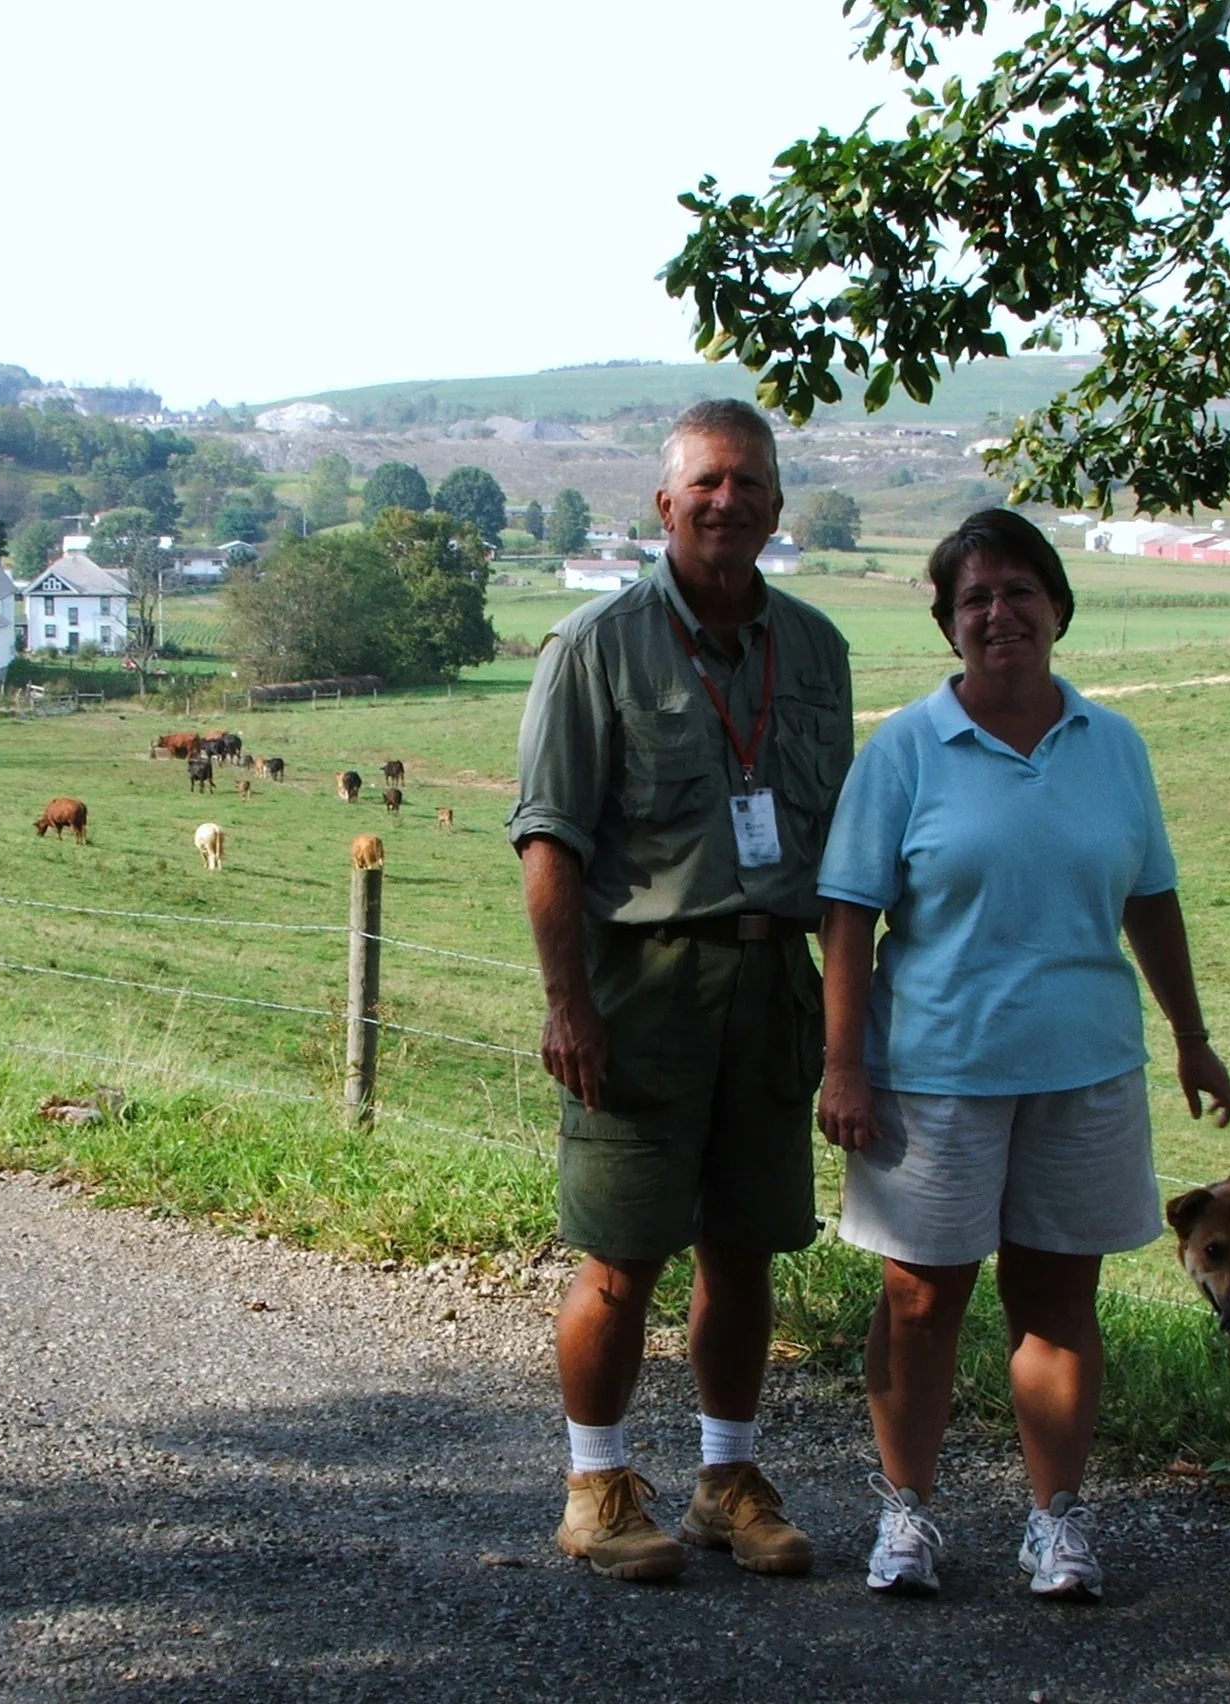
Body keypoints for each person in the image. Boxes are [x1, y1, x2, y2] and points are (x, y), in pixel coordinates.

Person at [815, 508, 1230, 1601]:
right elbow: (850, 916)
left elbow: (1151, 899)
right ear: (949, 626)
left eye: (1018, 592)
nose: (998, 613)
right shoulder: (906, 748)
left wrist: (1191, 1036)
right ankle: (907, 1515)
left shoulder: (1113, 746)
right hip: (933, 1075)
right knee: (919, 1301)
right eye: (973, 600)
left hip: (1082, 1069)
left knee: (1058, 1305)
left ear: (1059, 607)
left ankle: (1056, 1522)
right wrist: (843, 1065)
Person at [508, 398, 854, 1582]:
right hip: (640, 988)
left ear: (773, 505)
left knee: (744, 1249)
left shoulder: (815, 651)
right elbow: (548, 838)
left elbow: (841, 846)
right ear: (665, 505)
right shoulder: (595, 646)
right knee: (620, 1254)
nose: (727, 502)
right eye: (706, 482)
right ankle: (597, 1486)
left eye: (748, 483)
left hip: (772, 982)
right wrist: (569, 1003)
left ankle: (724, 1480)